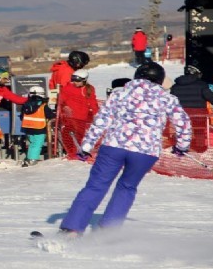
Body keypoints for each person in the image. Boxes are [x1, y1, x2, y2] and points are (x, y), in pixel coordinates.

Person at [59, 62, 192, 236]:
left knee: (96, 186)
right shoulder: (167, 98)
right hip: (145, 152)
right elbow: (183, 123)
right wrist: (181, 146)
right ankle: (107, 232)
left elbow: (101, 120)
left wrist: (86, 146)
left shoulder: (119, 94)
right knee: (127, 187)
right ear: (159, 79)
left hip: (114, 146)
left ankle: (72, 229)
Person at [171, 65, 213, 152]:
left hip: (182, 114)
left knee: (182, 129)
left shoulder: (175, 86)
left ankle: (182, 146)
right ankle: (200, 147)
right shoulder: (201, 85)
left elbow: (172, 100)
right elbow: (211, 98)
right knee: (200, 130)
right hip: (199, 113)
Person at [58, 69, 99, 159]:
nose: (75, 82)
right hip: (69, 117)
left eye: (78, 81)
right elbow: (61, 101)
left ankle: (80, 153)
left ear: (84, 80)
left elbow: (93, 103)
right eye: (74, 80)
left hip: (81, 117)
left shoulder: (89, 89)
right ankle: (72, 153)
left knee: (80, 136)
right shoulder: (68, 88)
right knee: (67, 135)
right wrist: (64, 107)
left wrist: (97, 114)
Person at [20, 86, 55, 167]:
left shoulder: (26, 104)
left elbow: (22, 116)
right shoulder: (43, 105)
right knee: (37, 144)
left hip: (28, 128)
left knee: (32, 143)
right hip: (39, 128)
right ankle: (33, 159)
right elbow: (50, 115)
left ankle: (29, 158)